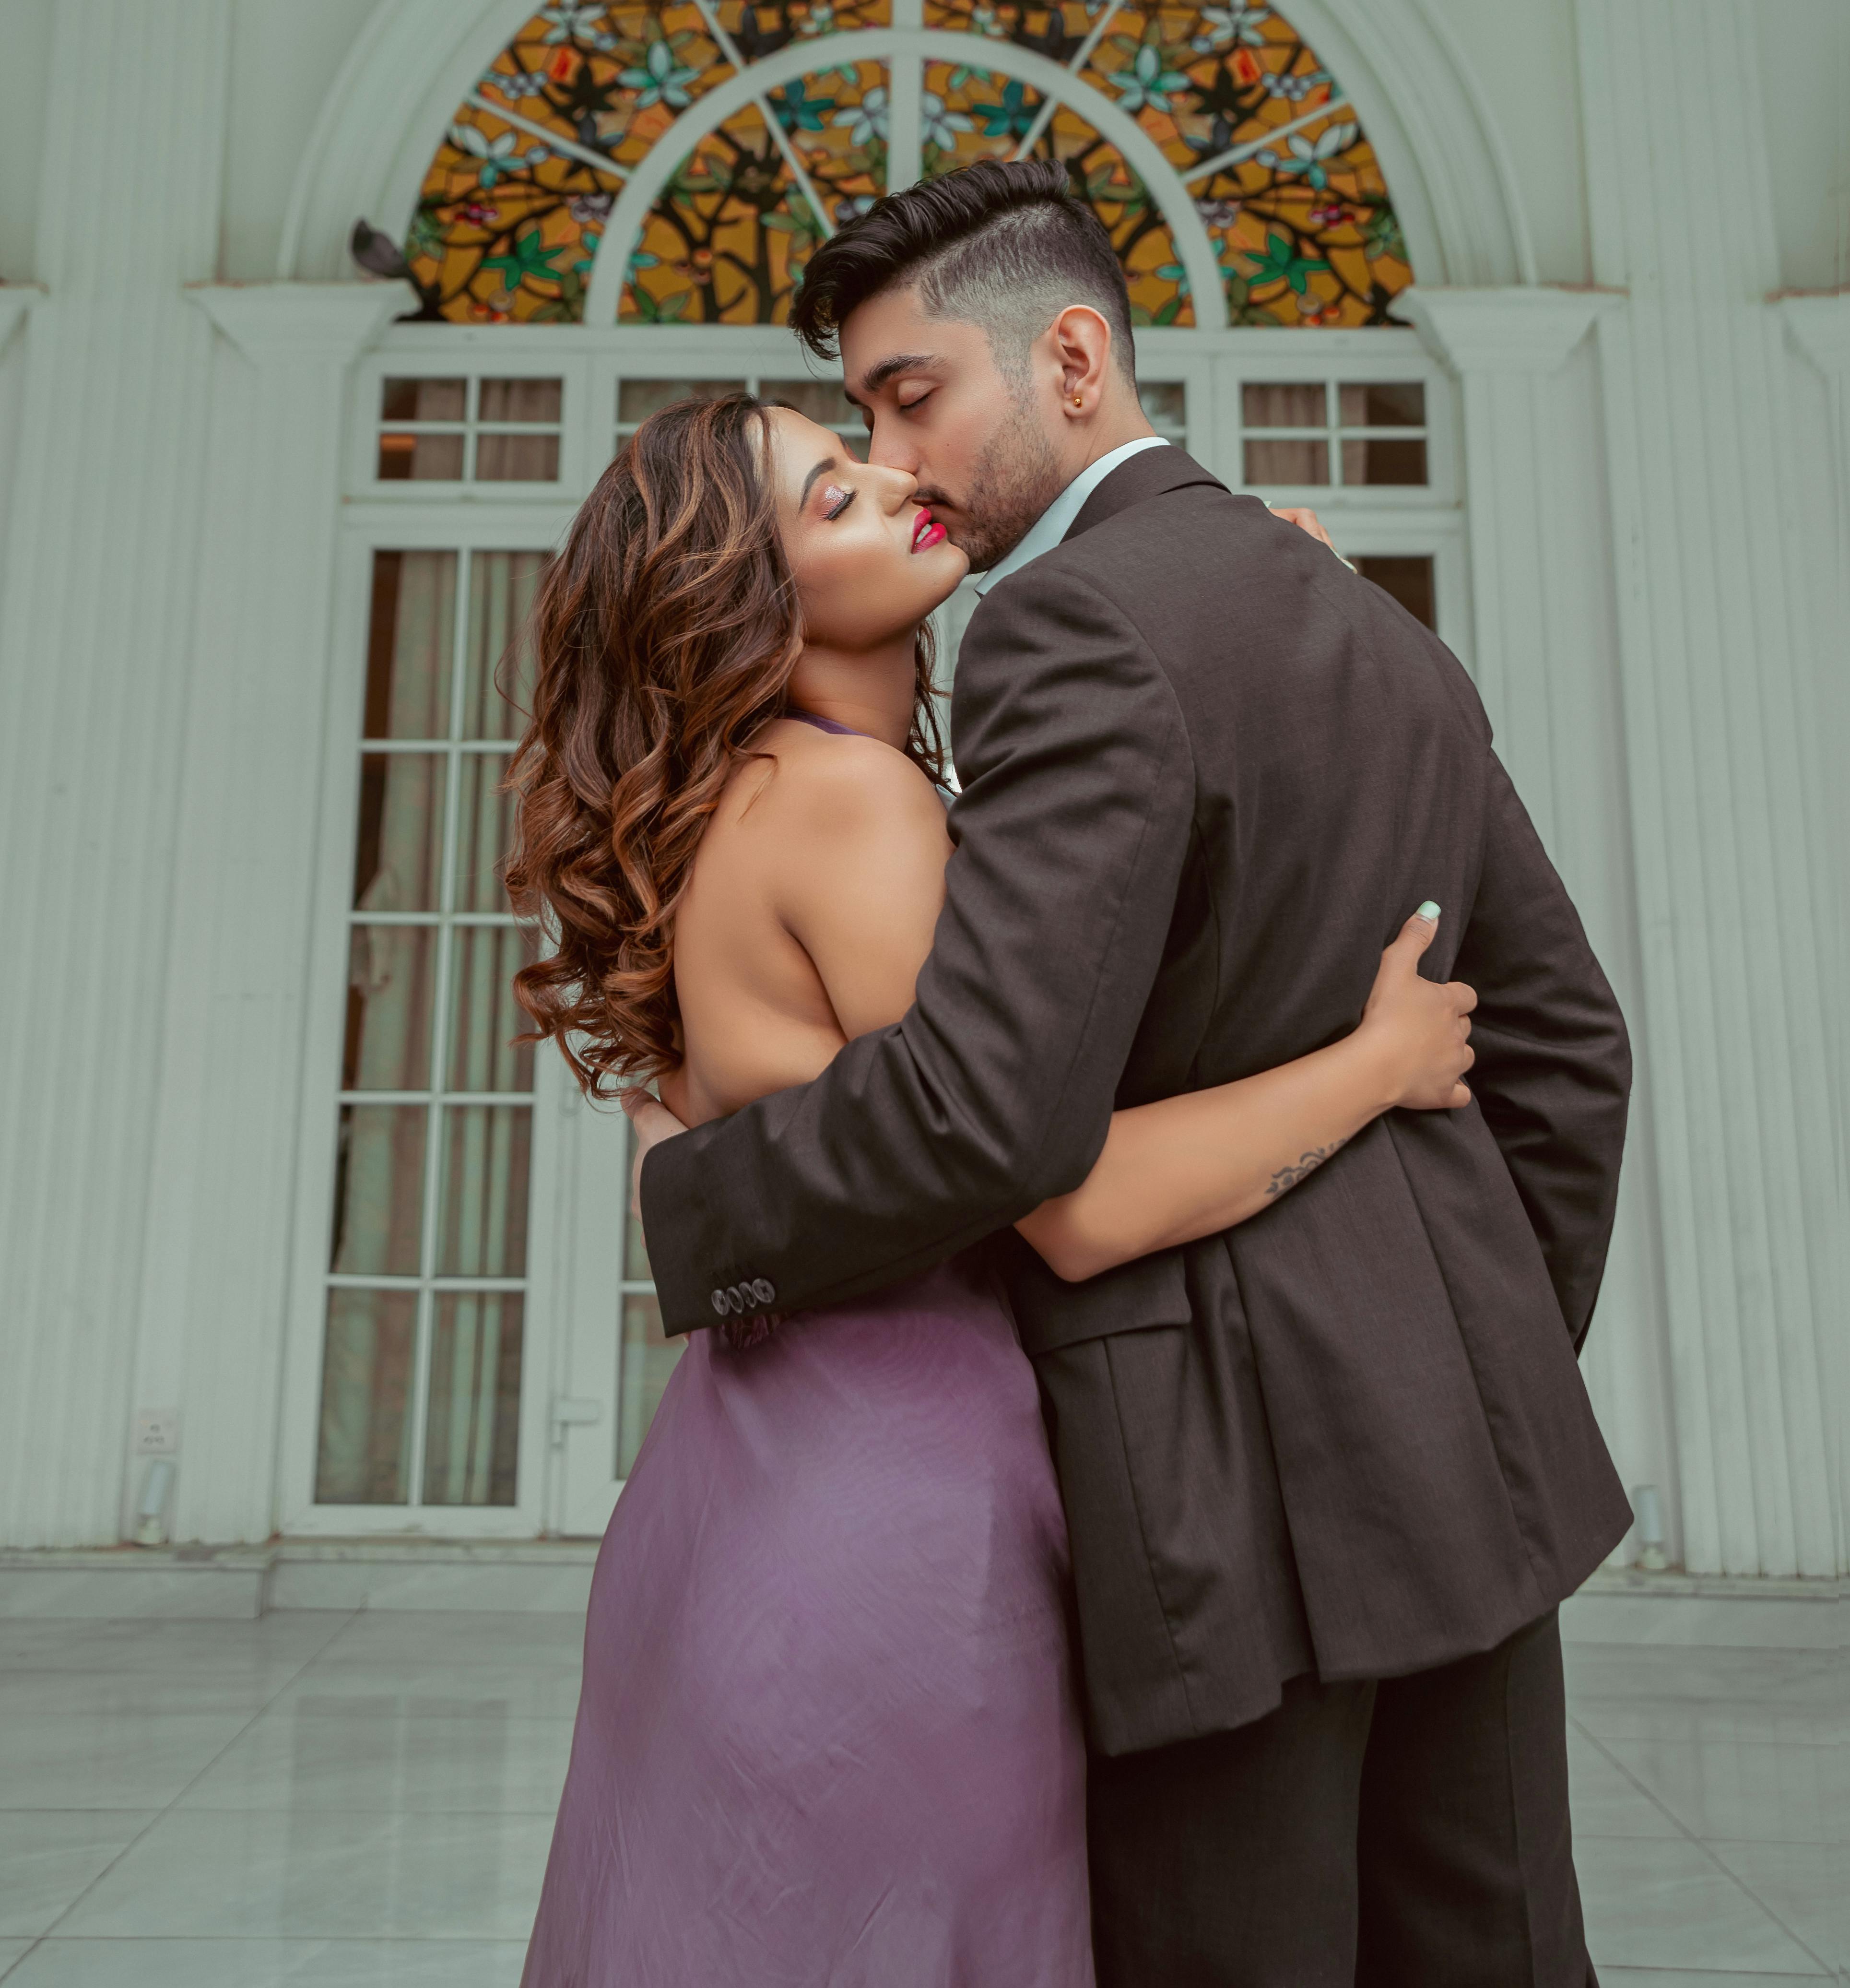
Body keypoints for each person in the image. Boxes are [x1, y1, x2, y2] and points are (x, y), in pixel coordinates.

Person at [634, 158, 1634, 1988]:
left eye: (910, 397)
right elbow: (1569, 1049)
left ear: (1071, 356)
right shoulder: (1367, 618)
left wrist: (696, 1199)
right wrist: (1462, 1347)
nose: (900, 454)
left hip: (1211, 1491)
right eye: (858, 426)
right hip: (1468, 1477)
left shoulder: (1066, 621)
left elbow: (1000, 1115)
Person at [509, 388, 1479, 1988]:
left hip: (744, 1499)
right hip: (893, 1538)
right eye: (832, 497)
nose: (898, 482)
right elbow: (1064, 1195)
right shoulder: (848, 802)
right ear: (747, 601)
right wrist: (1375, 1065)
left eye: (868, 448)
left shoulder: (754, 799)